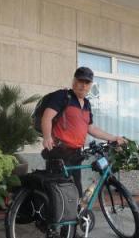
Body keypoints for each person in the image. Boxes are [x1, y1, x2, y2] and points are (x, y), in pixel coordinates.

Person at [41, 66, 126, 196]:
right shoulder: (63, 96)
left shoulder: (87, 103)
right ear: (74, 81)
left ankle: (76, 215)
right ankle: (57, 216)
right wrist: (47, 137)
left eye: (87, 83)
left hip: (76, 154)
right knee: (59, 193)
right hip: (60, 153)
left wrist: (113, 138)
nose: (83, 86)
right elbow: (47, 117)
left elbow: (91, 128)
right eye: (81, 81)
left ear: (90, 85)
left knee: (76, 191)